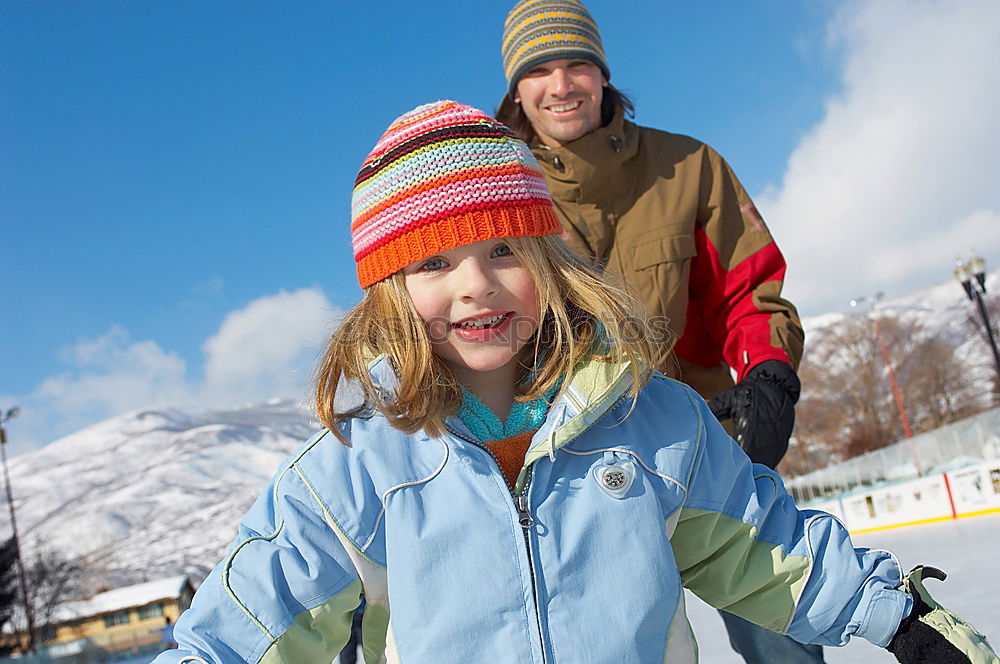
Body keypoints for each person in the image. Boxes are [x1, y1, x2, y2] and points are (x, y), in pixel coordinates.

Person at [149, 101, 996, 664]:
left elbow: (759, 543)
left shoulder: (651, 420)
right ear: (388, 290)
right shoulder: (353, 472)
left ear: (550, 261)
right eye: (435, 263)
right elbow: (251, 620)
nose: (475, 286)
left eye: (504, 249)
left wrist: (899, 619)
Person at [495, 1, 811, 660]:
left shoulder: (689, 167)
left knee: (782, 633)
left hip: (713, 448)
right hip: (575, 483)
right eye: (539, 69)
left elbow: (748, 292)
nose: (561, 86)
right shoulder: (496, 196)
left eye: (577, 63)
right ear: (516, 89)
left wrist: (768, 374)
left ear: (603, 73)